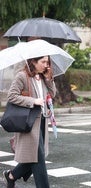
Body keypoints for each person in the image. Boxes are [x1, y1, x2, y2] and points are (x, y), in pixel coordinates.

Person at [3, 55, 56, 188]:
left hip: (42, 121)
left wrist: (49, 79)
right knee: (38, 158)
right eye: (43, 62)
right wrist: (33, 101)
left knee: (34, 156)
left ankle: (11, 176)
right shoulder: (22, 76)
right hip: (29, 122)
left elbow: (52, 94)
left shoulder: (43, 77)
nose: (46, 65)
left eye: (47, 62)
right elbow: (12, 96)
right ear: (33, 62)